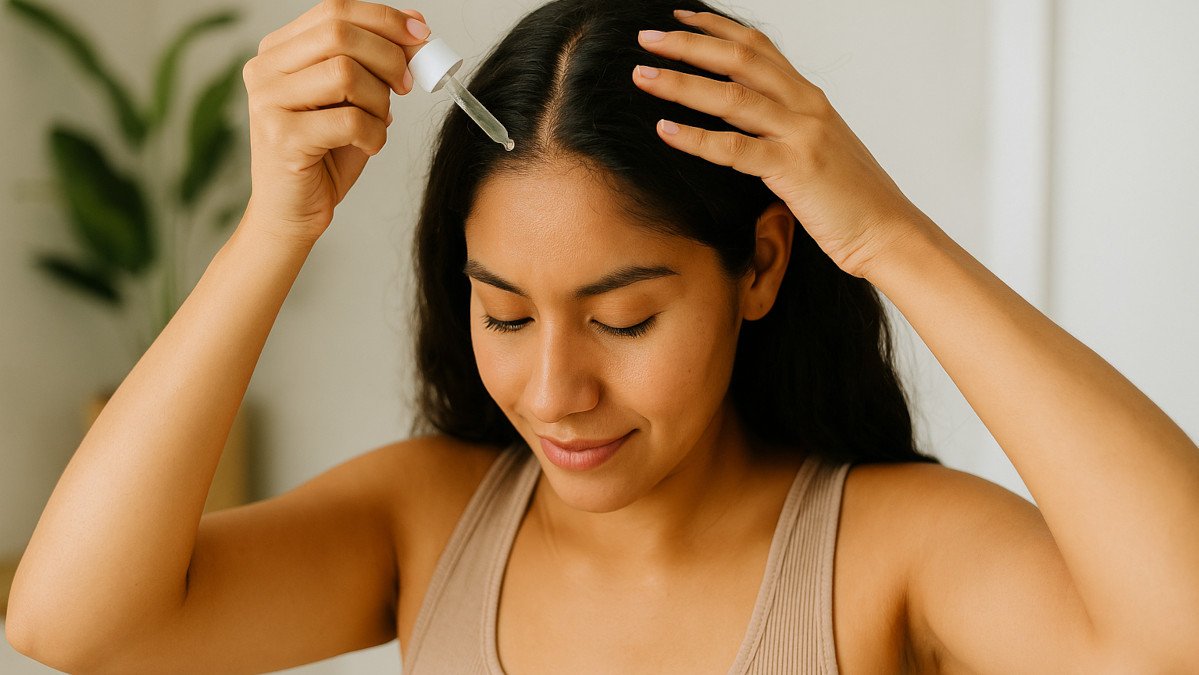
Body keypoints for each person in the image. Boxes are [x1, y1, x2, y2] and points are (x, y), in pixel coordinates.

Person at [6, 0, 1197, 672]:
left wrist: (886, 236)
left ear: (759, 266)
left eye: (623, 318)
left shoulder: (890, 549)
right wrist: (275, 228)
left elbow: (1176, 632)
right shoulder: (426, 520)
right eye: (502, 311)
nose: (553, 389)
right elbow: (72, 624)